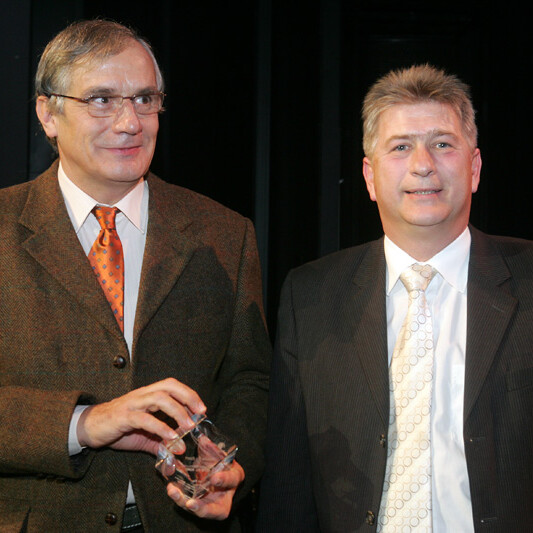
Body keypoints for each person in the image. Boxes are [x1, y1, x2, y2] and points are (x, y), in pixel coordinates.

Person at [0, 19, 271, 532]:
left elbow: (250, 382)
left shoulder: (224, 232)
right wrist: (83, 423)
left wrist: (232, 468)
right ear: (48, 113)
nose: (130, 123)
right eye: (102, 100)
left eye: (145, 99)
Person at [256, 64, 533, 532]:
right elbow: (288, 485)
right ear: (369, 176)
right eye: (401, 147)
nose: (422, 164)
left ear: (474, 169)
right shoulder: (311, 296)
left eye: (442, 144)